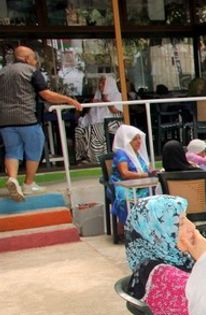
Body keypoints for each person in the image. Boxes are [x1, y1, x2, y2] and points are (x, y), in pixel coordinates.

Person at [125, 195, 206, 315]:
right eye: (181, 223)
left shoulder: (153, 265)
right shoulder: (164, 276)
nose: (192, 227)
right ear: (156, 233)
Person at [1, 45, 81, 201]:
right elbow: (46, 94)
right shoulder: (31, 71)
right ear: (26, 58)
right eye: (33, 58)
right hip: (26, 118)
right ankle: (29, 184)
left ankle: (13, 178)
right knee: (35, 147)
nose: (35, 61)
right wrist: (69, 100)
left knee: (12, 150)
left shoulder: (2, 72)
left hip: (4, 120)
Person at [111, 124, 154, 226]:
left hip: (141, 185)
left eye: (139, 138)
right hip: (123, 185)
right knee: (125, 200)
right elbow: (124, 174)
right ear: (127, 141)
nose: (139, 142)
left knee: (155, 195)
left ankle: (148, 227)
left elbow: (149, 170)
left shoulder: (139, 154)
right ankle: (130, 228)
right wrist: (144, 175)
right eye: (135, 139)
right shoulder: (121, 153)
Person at [74, 74, 121, 164]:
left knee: (94, 129)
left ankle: (97, 159)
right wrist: (93, 103)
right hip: (98, 123)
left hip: (112, 123)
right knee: (79, 130)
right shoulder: (97, 96)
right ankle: (82, 157)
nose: (100, 85)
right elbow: (92, 114)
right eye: (100, 83)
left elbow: (115, 111)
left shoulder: (117, 95)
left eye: (103, 83)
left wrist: (105, 100)